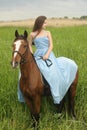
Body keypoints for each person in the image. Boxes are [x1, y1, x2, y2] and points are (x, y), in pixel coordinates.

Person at [18, 16, 78, 104]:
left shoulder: (47, 33)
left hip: (48, 55)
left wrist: (47, 55)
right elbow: (29, 45)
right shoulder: (32, 34)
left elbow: (51, 45)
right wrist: (32, 54)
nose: (46, 24)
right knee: (24, 72)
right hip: (38, 55)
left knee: (53, 72)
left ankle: (56, 92)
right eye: (45, 22)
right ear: (40, 23)